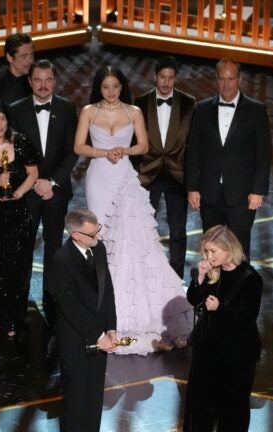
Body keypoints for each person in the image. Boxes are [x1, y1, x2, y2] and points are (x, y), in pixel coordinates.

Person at [75, 65, 192, 354]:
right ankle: (102, 308)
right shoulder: (89, 111)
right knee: (102, 239)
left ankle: (129, 312)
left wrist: (123, 151)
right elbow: (79, 146)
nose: (111, 92)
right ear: (99, 88)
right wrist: (105, 152)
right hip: (100, 178)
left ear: (122, 87)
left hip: (124, 177)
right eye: (106, 87)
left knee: (132, 240)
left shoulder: (133, 112)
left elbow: (143, 145)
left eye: (116, 86)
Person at [9, 59, 78, 326]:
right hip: (28, 190)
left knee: (54, 248)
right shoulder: (16, 110)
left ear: (55, 81)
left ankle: (52, 300)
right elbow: (14, 153)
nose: (43, 85)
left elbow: (72, 152)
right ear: (29, 81)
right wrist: (36, 181)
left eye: (48, 80)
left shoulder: (67, 108)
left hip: (56, 191)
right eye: (37, 80)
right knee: (23, 246)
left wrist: (52, 181)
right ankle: (19, 301)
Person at [185, 57, 272, 258]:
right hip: (209, 192)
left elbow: (263, 154)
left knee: (239, 248)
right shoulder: (203, 108)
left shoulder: (256, 110)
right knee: (211, 247)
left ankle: (239, 290)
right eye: (222, 79)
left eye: (231, 79)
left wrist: (258, 190)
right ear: (216, 80)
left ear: (239, 79)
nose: (226, 84)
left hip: (242, 194)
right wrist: (192, 187)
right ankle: (212, 287)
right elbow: (194, 151)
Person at [184, 225, 262, 432]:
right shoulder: (213, 272)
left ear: (228, 249)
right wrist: (199, 277)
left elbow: (248, 318)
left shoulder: (250, 278)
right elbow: (194, 299)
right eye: (206, 251)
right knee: (200, 403)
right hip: (207, 348)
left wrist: (220, 308)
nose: (209, 256)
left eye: (213, 251)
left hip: (236, 352)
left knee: (232, 407)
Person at [48, 208, 117, 432]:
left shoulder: (99, 249)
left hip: (100, 336)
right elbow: (71, 307)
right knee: (76, 400)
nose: (98, 235)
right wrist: (98, 335)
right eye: (92, 233)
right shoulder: (62, 260)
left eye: (97, 229)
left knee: (94, 399)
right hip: (76, 341)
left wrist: (111, 328)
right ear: (76, 235)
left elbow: (107, 290)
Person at [0, 99, 40, 339]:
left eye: (2, 119)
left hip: (16, 215)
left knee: (17, 267)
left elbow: (33, 173)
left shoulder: (20, 142)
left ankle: (13, 319)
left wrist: (18, 193)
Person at [134, 55, 197, 278]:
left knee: (178, 230)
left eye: (171, 78)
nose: (166, 82)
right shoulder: (139, 103)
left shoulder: (189, 103)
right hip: (147, 174)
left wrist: (193, 182)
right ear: (154, 77)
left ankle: (176, 278)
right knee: (143, 229)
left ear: (175, 79)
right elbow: (133, 140)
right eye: (162, 77)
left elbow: (193, 143)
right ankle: (145, 275)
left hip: (177, 175)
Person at [0, 33, 35, 106]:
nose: (30, 60)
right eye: (24, 56)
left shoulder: (37, 79)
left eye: (32, 55)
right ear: (10, 57)